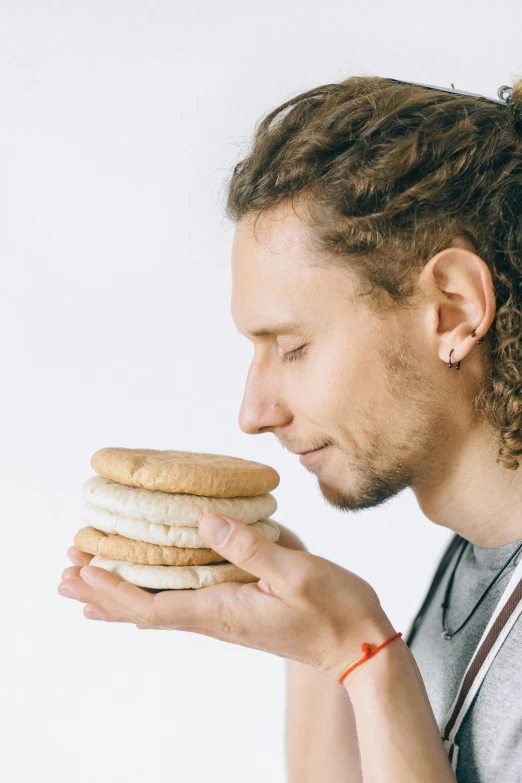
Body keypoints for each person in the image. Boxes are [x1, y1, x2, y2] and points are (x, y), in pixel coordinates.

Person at [59, 75, 522, 782]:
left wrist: (364, 653)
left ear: (452, 310)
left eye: (293, 347)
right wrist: (311, 641)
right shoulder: (479, 559)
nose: (254, 412)